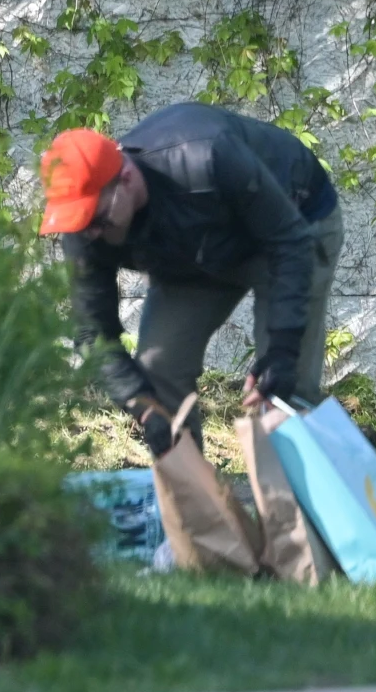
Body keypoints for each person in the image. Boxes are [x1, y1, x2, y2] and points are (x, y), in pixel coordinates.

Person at [38, 102, 343, 456]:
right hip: (194, 250)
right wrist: (145, 409)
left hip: (294, 226)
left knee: (283, 392)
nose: (90, 232)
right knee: (159, 369)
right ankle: (200, 504)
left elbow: (289, 243)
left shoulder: (206, 154)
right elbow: (92, 333)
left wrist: (282, 351)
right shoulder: (84, 230)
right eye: (80, 222)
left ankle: (308, 502)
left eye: (98, 218)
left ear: (125, 177)